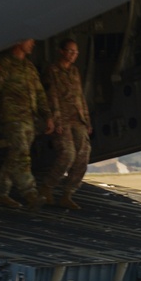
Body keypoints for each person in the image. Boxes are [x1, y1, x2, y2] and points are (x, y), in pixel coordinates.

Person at [0, 39, 52, 209]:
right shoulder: (4, 65)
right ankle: (30, 193)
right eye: (29, 42)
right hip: (12, 119)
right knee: (22, 155)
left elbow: (40, 94)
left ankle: (1, 193)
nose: (32, 45)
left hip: (29, 119)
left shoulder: (29, 67)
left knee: (14, 156)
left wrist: (48, 116)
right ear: (18, 42)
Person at [38, 38, 92, 210]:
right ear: (61, 51)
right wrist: (56, 120)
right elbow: (51, 97)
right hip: (62, 119)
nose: (73, 55)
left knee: (83, 155)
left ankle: (68, 194)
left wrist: (87, 120)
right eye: (70, 51)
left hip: (77, 119)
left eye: (75, 52)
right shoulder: (52, 71)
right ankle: (47, 187)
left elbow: (80, 97)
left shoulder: (75, 71)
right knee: (67, 154)